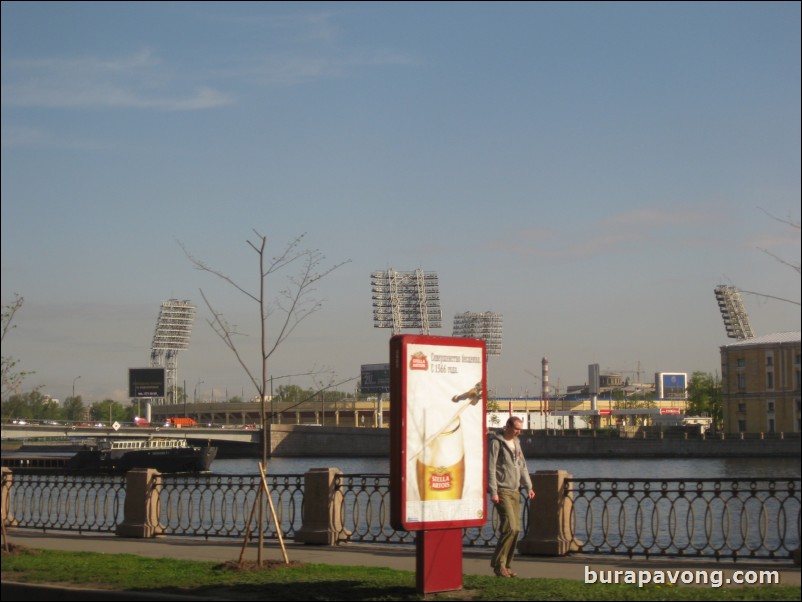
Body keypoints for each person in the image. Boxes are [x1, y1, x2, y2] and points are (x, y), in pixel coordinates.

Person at [487, 415, 535, 577]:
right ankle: (499, 564)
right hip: (502, 490)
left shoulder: (516, 443)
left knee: (516, 530)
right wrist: (493, 491)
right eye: (516, 429)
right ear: (507, 426)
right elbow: (491, 468)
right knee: (510, 527)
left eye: (520, 430)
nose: (518, 432)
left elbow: (522, 466)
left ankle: (505, 565)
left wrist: (528, 486)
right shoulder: (496, 443)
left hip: (515, 490)